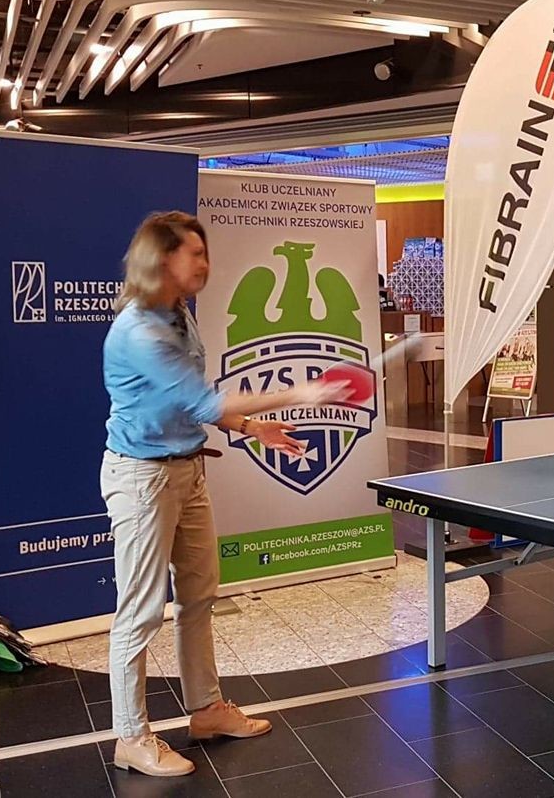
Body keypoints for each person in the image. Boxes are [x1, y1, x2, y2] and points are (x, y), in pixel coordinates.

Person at [102, 211, 352, 777]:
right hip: (143, 479)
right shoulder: (140, 331)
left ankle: (206, 710)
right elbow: (205, 402)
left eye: (204, 252)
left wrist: (251, 427)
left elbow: (191, 404)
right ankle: (131, 738)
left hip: (187, 470)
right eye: (194, 253)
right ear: (161, 259)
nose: (205, 263)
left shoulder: (179, 313)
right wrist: (303, 392)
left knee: (199, 596)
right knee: (140, 612)